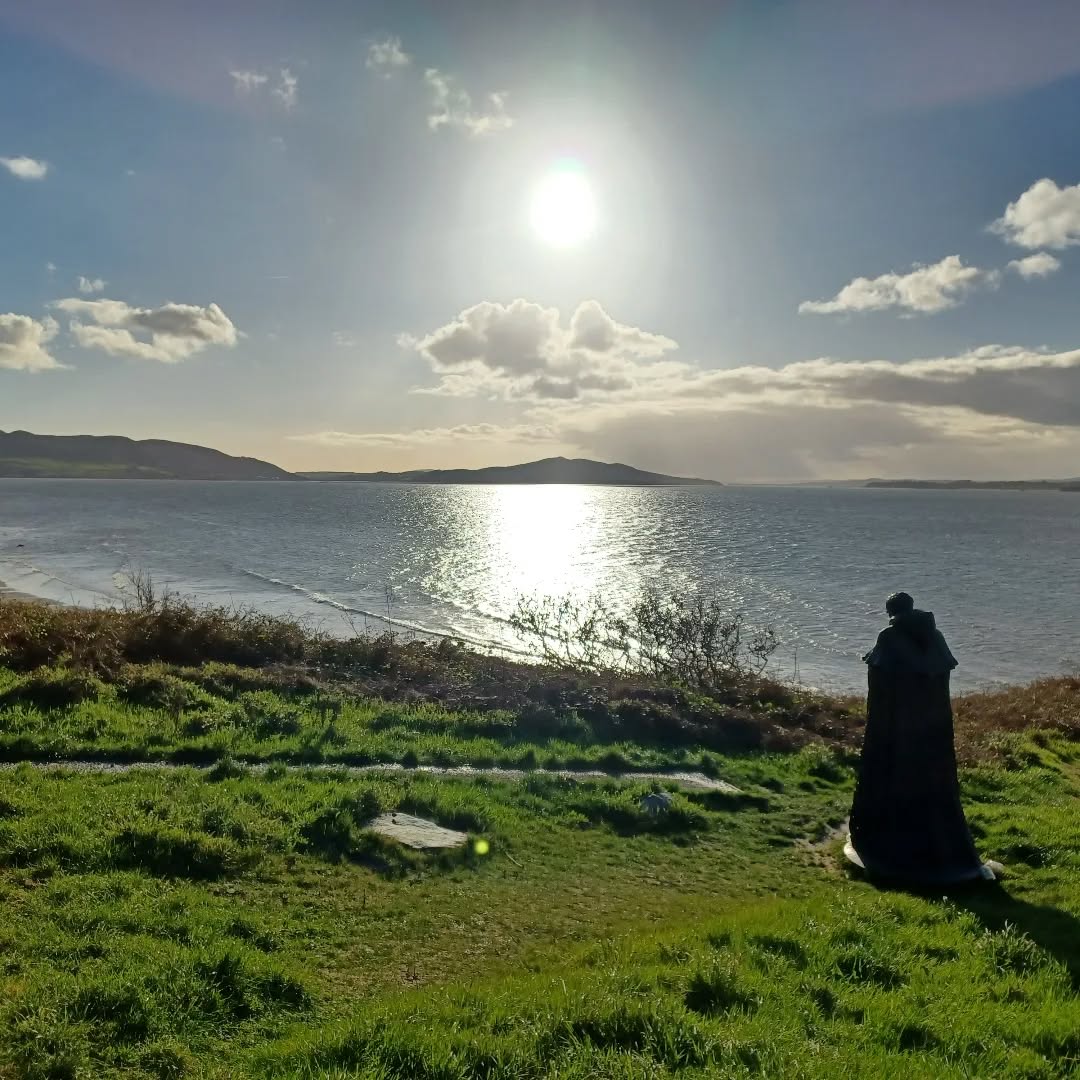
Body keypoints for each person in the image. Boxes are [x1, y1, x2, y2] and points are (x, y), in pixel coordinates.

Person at [844, 592, 993, 885]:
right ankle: (943, 852)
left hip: (898, 734)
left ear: (891, 612)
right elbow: (937, 679)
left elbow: (882, 685)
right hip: (933, 734)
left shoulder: (889, 638)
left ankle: (894, 852)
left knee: (895, 784)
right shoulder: (935, 637)